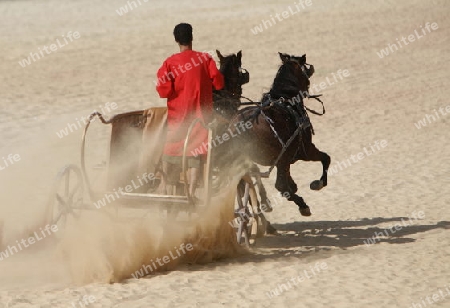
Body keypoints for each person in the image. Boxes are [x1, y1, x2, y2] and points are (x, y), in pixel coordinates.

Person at [156, 23, 224, 198]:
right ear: (192, 38)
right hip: (200, 116)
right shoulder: (205, 59)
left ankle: (164, 185)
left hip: (177, 117)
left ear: (177, 40)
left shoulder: (169, 63)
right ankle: (191, 191)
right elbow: (218, 83)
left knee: (171, 147)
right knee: (196, 151)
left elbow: (163, 90)